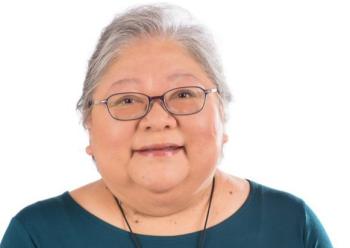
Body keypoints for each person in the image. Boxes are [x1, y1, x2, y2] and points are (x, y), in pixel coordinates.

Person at [0, 3, 332, 248]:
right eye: (127, 100)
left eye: (185, 94)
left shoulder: (290, 225)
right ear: (88, 125)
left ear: (223, 114)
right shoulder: (36, 236)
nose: (158, 120)